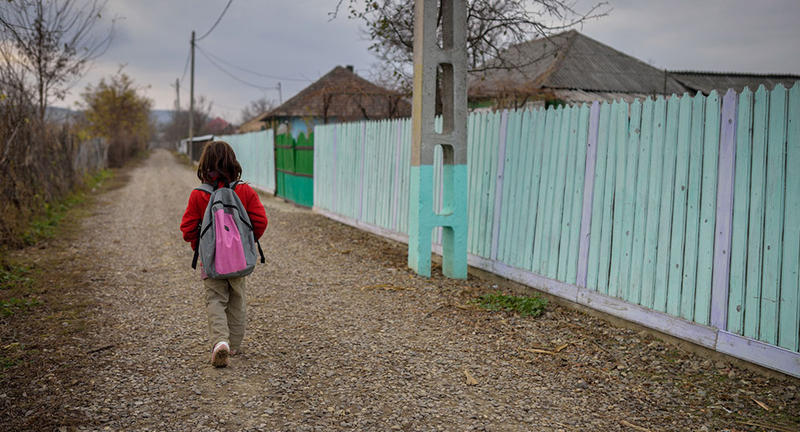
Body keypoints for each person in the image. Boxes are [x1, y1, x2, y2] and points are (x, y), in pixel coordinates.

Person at [180, 141, 268, 368]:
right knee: (237, 299)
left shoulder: (198, 195)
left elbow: (187, 228)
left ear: (204, 165)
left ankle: (221, 342)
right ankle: (235, 345)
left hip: (211, 262)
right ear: (233, 162)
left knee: (215, 300)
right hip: (239, 260)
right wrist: (245, 243)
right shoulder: (244, 191)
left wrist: (200, 246)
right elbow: (260, 221)